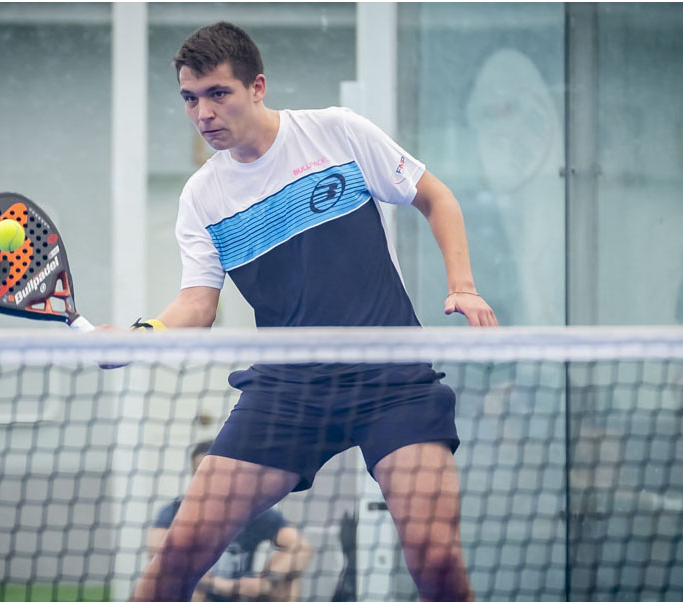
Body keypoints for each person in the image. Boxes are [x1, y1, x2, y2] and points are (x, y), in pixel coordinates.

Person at [126, 22, 498, 601]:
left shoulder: (336, 133)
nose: (203, 113)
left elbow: (435, 197)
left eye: (218, 93)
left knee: (435, 553)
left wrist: (464, 286)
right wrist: (143, 332)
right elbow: (197, 303)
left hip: (391, 381)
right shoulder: (202, 196)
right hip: (288, 391)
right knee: (180, 550)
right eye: (190, 98)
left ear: (257, 87)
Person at [146, 441, 313, 601]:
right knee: (179, 585)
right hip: (203, 591)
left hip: (243, 595)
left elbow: (300, 548)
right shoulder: (176, 510)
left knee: (289, 582)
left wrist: (267, 580)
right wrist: (223, 586)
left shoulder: (253, 510)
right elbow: (158, 555)